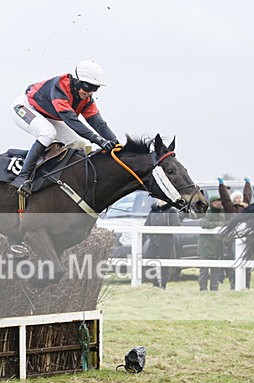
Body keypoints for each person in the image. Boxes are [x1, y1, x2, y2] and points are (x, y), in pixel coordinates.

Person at [10, 59, 119, 192]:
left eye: (95, 89)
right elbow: (72, 121)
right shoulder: (60, 87)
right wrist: (99, 141)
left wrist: (116, 143)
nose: (90, 93)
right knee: (48, 133)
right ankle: (23, 178)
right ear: (76, 81)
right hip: (24, 108)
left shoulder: (85, 99)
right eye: (88, 87)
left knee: (78, 143)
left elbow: (98, 123)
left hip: (47, 115)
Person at [219, 177, 253, 289]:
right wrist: (221, 186)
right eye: (236, 198)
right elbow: (225, 199)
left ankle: (246, 285)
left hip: (246, 239)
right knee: (235, 263)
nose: (239, 200)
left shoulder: (246, 208)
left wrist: (248, 184)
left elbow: (247, 196)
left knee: (247, 263)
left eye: (240, 198)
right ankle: (234, 285)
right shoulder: (230, 209)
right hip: (233, 240)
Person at [143, 199, 180, 289]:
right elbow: (147, 224)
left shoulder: (171, 211)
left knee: (164, 264)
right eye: (160, 199)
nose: (161, 201)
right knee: (149, 261)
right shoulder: (153, 210)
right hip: (153, 241)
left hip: (166, 241)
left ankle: (163, 285)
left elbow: (176, 225)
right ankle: (155, 283)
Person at [197, 196, 225, 291]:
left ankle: (214, 288)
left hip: (217, 246)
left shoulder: (222, 213)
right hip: (206, 246)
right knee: (204, 269)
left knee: (216, 269)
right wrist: (218, 224)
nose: (219, 203)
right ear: (212, 203)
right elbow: (204, 224)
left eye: (220, 201)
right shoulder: (207, 212)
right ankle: (203, 288)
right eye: (216, 202)